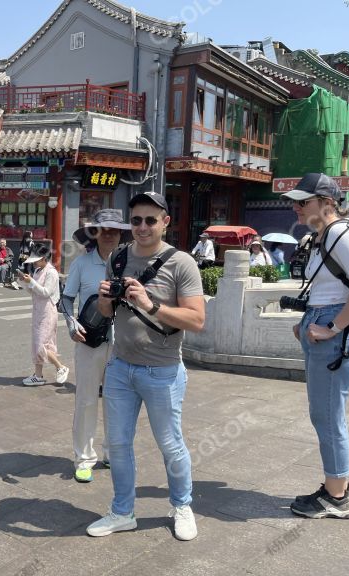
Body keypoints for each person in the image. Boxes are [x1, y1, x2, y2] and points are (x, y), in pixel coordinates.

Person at [88, 191, 205, 541]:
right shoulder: (119, 258)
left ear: (165, 222)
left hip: (163, 370)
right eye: (136, 220)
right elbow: (107, 314)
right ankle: (123, 511)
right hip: (121, 367)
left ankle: (182, 505)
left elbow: (197, 319)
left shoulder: (181, 262)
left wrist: (149, 303)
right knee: (119, 444)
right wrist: (107, 300)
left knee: (169, 443)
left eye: (150, 220)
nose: (142, 227)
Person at [282, 173, 349, 519]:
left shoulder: (342, 235)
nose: (296, 208)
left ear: (327, 203)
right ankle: (337, 485)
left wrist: (332, 327)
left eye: (303, 201)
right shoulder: (323, 236)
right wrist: (308, 321)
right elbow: (329, 289)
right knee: (325, 414)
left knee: (327, 415)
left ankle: (337, 496)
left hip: (335, 335)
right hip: (322, 325)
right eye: (295, 202)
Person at [60, 209, 130, 483]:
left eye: (115, 229)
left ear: (121, 233)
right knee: (87, 400)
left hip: (123, 343)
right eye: (105, 229)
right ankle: (84, 458)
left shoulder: (130, 263)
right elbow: (66, 298)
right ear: (96, 233)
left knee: (117, 401)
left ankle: (112, 452)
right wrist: (70, 323)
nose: (110, 234)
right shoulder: (81, 264)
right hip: (89, 340)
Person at [16, 243, 69, 386]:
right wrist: (24, 282)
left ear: (44, 258)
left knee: (42, 345)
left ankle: (61, 367)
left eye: (36, 260)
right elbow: (34, 291)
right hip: (38, 310)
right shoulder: (39, 270)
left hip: (48, 311)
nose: (34, 263)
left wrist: (31, 281)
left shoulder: (51, 272)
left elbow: (46, 292)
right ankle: (38, 375)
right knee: (37, 344)